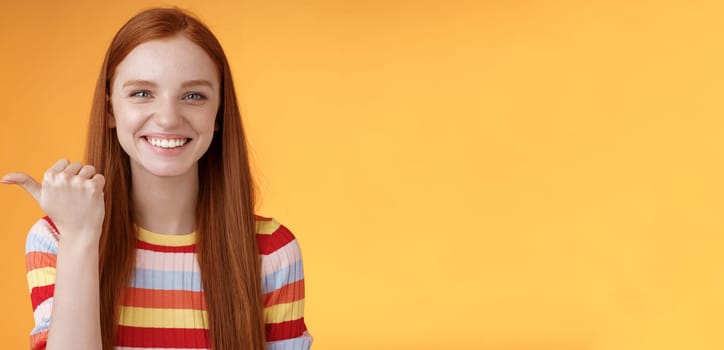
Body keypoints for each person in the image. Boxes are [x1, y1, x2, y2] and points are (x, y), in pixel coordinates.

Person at [1, 7, 312, 350]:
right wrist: (80, 238)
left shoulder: (271, 252)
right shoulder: (56, 239)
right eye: (142, 93)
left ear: (219, 113)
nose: (167, 118)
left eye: (193, 96)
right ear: (109, 111)